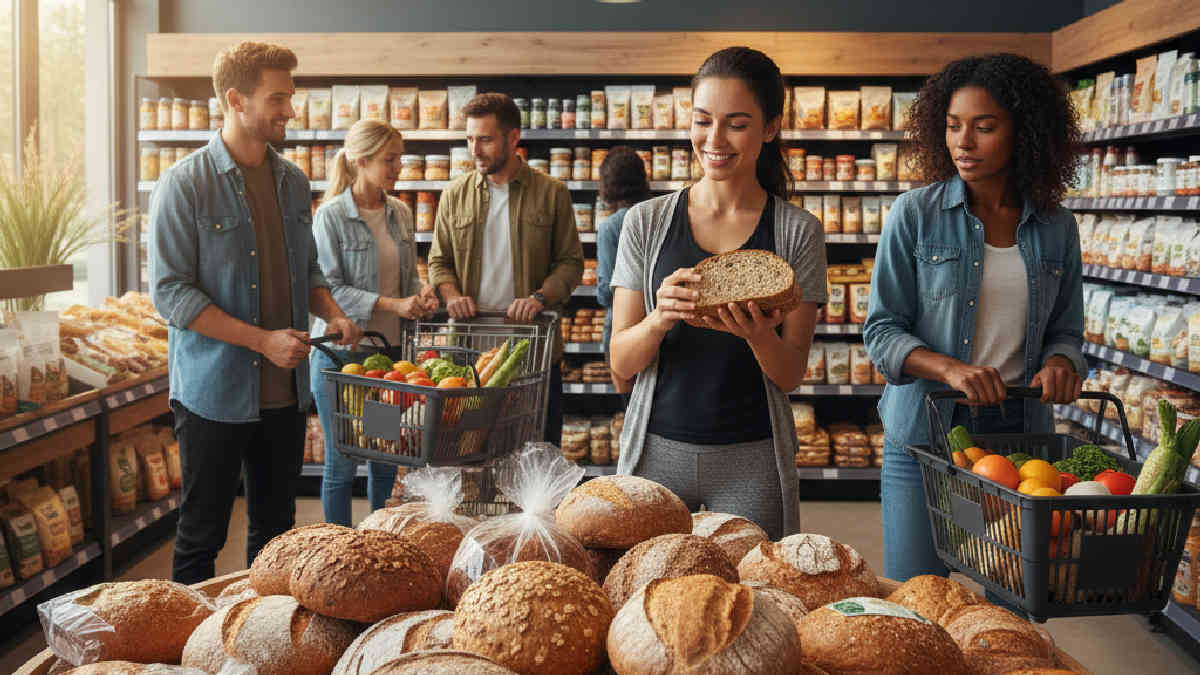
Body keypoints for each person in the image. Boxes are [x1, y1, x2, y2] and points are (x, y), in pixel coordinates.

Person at [863, 53, 1085, 583]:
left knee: (1009, 598)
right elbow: (881, 330)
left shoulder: (1057, 227)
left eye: (984, 127)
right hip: (927, 433)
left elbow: (1066, 330)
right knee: (922, 597)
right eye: (953, 126)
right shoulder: (914, 215)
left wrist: (1060, 360)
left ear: (1024, 132)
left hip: (1019, 443)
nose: (963, 142)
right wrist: (949, 369)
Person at [150, 41, 361, 584]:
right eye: (279, 98)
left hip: (284, 395)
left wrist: (332, 312)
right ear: (236, 99)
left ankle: (263, 643)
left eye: (290, 96)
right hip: (213, 394)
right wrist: (262, 341)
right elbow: (172, 294)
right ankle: (188, 658)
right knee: (202, 534)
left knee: (275, 533)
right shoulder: (184, 185)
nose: (290, 109)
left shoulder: (292, 181)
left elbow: (309, 270)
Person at [609, 47, 826, 540]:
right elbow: (620, 360)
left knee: (755, 598)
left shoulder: (798, 233)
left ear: (770, 127)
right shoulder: (645, 223)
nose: (715, 139)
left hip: (753, 457)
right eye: (703, 120)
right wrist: (660, 317)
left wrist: (758, 335)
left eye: (737, 123)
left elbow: (790, 373)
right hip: (655, 452)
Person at [428, 92, 584, 446]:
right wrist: (451, 295)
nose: (475, 150)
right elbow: (439, 260)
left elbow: (571, 262)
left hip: (533, 351)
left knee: (535, 452)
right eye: (469, 139)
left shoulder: (551, 192)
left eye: (485, 139)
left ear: (513, 138)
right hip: (469, 353)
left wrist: (540, 297)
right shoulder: (454, 194)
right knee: (469, 452)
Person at [310, 119, 439, 526]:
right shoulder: (330, 216)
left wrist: (421, 295)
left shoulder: (399, 213)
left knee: (385, 457)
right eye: (390, 159)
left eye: (400, 158)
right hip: (343, 358)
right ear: (361, 160)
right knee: (342, 462)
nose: (399, 167)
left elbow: (406, 277)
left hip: (384, 361)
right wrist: (393, 304)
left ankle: (378, 542)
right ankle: (337, 546)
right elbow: (327, 288)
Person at [595, 146, 651, 398]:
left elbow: (607, 293)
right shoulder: (656, 217)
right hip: (656, 326)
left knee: (630, 407)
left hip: (622, 330)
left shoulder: (610, 228)